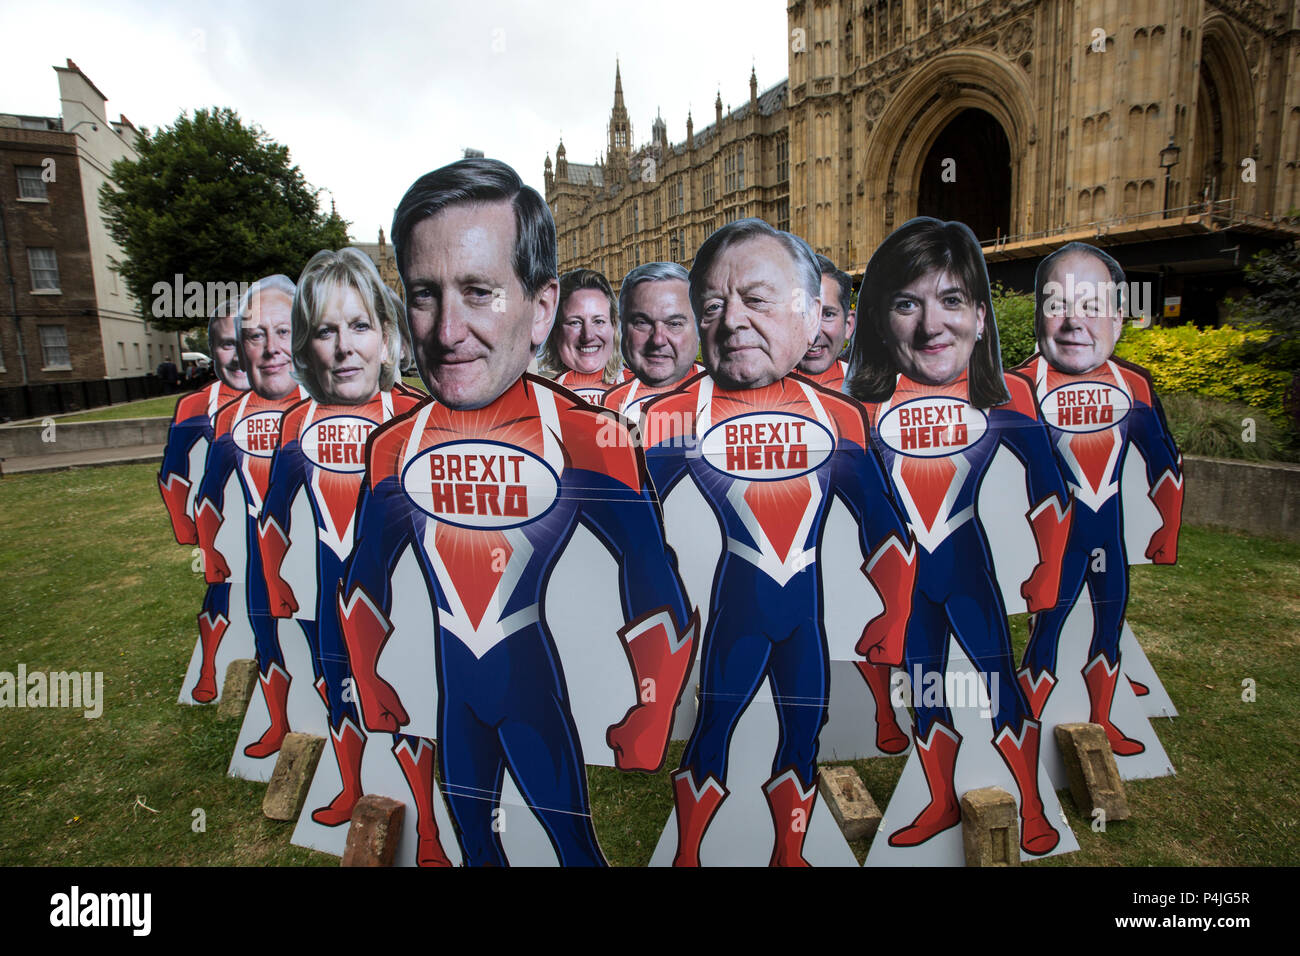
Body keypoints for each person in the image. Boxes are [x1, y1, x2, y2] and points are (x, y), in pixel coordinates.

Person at [335, 158, 697, 866]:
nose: (446, 330)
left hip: (531, 689)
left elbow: (651, 573)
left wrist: (652, 706)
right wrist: (370, 677)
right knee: (477, 844)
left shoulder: (588, 438)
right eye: (423, 295)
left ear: (540, 308)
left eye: (478, 292)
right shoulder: (391, 449)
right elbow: (363, 580)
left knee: (572, 845)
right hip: (454, 695)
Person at [640, 218, 916, 866]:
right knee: (712, 735)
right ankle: (688, 856)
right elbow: (628, 537)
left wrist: (894, 615)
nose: (732, 320)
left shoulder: (837, 416)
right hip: (736, 613)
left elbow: (883, 524)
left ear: (808, 313)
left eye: (755, 299)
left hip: (803, 622)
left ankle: (788, 856)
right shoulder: (677, 416)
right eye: (713, 304)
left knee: (802, 737)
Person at [847, 216, 1072, 855]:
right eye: (906, 303)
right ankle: (940, 800)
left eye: (950, 300)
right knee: (925, 691)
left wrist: (1049, 567)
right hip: (906, 587)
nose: (931, 324)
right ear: (880, 319)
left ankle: (1030, 806)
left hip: (968, 567)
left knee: (1000, 686)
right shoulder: (859, 409)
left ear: (979, 313)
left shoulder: (1009, 399)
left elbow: (1048, 488)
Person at [252, 248, 450, 863]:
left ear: (389, 338)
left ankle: (429, 824)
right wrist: (273, 580)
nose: (344, 347)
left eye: (360, 326)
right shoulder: (292, 425)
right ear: (306, 348)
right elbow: (273, 515)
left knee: (410, 702)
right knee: (339, 691)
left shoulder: (423, 417)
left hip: (404, 602)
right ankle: (353, 788)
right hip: (324, 593)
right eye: (325, 331)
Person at [1015, 242, 1183, 754]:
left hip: (1107, 527)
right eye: (1057, 305)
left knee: (1109, 624)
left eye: (1091, 306)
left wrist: (1167, 529)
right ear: (1040, 315)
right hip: (1053, 544)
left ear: (1118, 319)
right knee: (1047, 630)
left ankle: (1102, 720)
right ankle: (1025, 726)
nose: (1073, 322)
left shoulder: (1133, 385)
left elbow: (1165, 463)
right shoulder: (1017, 387)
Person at [194, 275, 309, 760]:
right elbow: (207, 494)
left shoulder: (330, 407)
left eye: (283, 332)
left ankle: (343, 738)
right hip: (260, 554)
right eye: (255, 335)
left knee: (332, 649)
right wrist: (210, 547)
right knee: (266, 635)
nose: (269, 348)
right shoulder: (229, 417)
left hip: (321, 555)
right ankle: (279, 724)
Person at [158, 300, 249, 703]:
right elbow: (173, 473)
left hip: (282, 525)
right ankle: (210, 668)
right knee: (221, 592)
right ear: (213, 351)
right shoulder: (195, 406)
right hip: (223, 525)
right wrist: (187, 528)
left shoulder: (300, 401)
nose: (241, 354)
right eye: (229, 344)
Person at [601, 262, 701, 418]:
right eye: (642, 323)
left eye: (674, 324)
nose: (658, 340)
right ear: (620, 327)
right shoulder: (612, 403)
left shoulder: (730, 397)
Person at [537, 268, 631, 402]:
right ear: (555, 331)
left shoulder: (645, 393)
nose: (588, 336)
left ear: (614, 326)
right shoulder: (541, 399)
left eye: (598, 321)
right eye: (575, 322)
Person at [796, 254, 856, 391]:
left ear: (848, 325)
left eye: (827, 314)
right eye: (802, 314)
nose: (815, 332)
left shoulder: (870, 395)